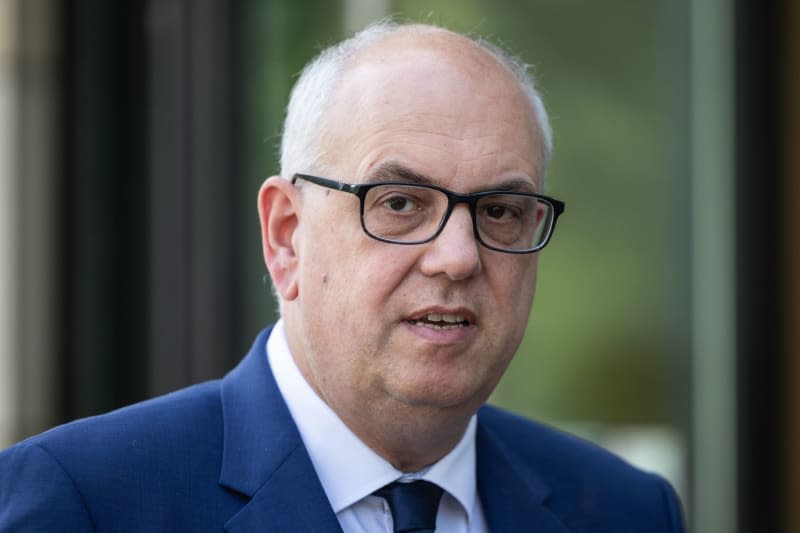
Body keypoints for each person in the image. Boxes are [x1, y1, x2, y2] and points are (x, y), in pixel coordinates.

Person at [0, 21, 685, 532]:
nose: (457, 257)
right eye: (399, 203)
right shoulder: (87, 499)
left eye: (501, 210)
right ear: (287, 236)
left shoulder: (626, 510)